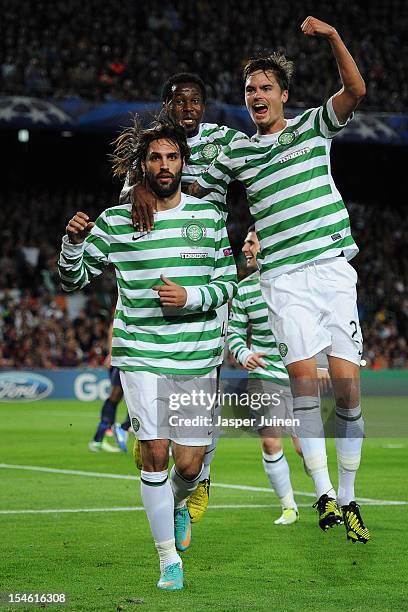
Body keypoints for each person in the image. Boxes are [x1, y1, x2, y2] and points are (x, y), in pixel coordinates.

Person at [192, 16, 370, 543]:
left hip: (333, 269)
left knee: (347, 388)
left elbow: (355, 90)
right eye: (249, 90)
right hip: (285, 277)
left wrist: (336, 36)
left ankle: (352, 496)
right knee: (303, 387)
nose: (256, 95)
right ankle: (324, 496)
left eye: (265, 87)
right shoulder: (239, 154)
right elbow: (195, 180)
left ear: (284, 94)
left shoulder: (312, 126)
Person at [58, 117, 237, 590]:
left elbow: (227, 284)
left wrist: (190, 299)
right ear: (142, 165)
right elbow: (73, 280)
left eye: (172, 157)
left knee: (190, 466)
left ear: (183, 162)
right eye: (155, 157)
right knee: (155, 456)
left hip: (196, 358)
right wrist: (72, 243)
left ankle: (180, 503)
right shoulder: (118, 220)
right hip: (142, 356)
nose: (164, 165)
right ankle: (167, 562)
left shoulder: (209, 219)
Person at [126, 72, 247, 522]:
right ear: (166, 106)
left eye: (196, 100)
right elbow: (127, 203)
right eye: (179, 101)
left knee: (208, 376)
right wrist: (138, 187)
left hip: (204, 266)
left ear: (206, 106)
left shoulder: (224, 141)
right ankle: (144, 424)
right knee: (141, 355)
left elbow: (256, 164)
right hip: (155, 272)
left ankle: (202, 473)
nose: (188, 108)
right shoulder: (155, 146)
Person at [228, 225, 301, 525]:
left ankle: (328, 496)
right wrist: (245, 354)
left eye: (250, 243)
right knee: (271, 441)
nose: (245, 248)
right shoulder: (244, 289)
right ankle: (289, 506)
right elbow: (233, 334)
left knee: (304, 447)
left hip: (298, 374)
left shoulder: (293, 283)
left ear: (266, 245)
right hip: (263, 375)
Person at [89, 320, 131, 453]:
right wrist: (111, 353)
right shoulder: (128, 307)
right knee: (117, 398)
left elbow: (112, 329)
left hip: (126, 359)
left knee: (117, 399)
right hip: (125, 360)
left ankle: (100, 439)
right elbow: (112, 329)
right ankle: (120, 429)